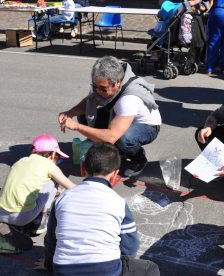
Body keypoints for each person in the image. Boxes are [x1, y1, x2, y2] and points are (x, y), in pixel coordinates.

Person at [37, 142, 160, 276]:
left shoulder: (63, 199)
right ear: (114, 175)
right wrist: (123, 262)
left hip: (63, 270)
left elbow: (51, 240)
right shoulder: (117, 202)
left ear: (83, 168)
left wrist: (49, 264)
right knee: (150, 268)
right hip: (106, 270)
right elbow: (130, 244)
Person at [58, 56, 161, 177]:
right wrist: (69, 113)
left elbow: (111, 136)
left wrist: (76, 126)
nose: (97, 91)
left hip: (147, 126)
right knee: (84, 114)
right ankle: (116, 150)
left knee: (123, 139)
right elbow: (89, 102)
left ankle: (139, 158)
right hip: (120, 116)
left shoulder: (129, 99)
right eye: (95, 86)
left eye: (102, 88)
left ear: (117, 82)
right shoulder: (101, 84)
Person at [0, 134, 75, 241]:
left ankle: (9, 224)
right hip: (22, 217)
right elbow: (72, 188)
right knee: (52, 182)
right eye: (57, 156)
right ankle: (39, 222)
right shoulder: (50, 165)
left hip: (1, 212)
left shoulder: (21, 161)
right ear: (52, 154)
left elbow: (27, 183)